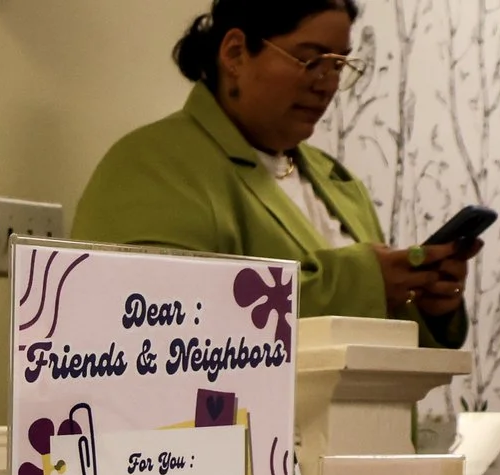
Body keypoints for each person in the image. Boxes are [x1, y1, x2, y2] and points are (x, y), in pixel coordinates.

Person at [72, 0, 471, 345]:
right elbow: (153, 324)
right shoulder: (154, 163)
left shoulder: (337, 181)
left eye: (339, 64)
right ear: (235, 53)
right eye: (311, 59)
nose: (327, 84)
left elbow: (382, 346)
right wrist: (360, 281)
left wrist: (428, 303)